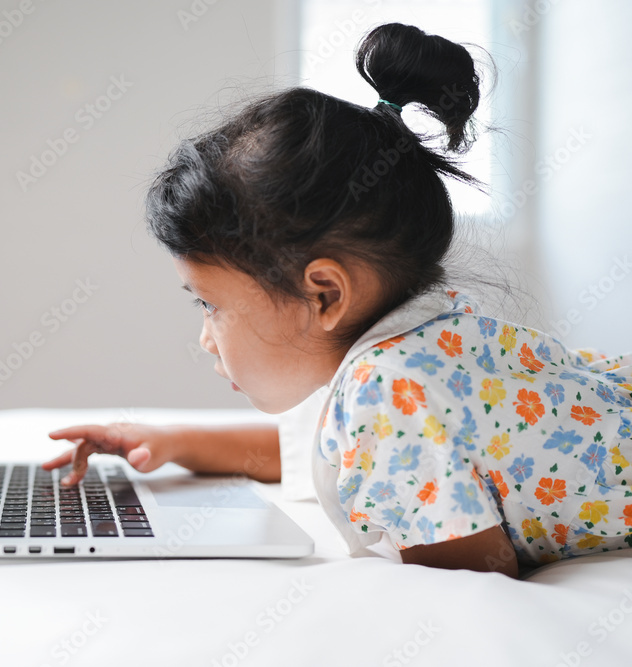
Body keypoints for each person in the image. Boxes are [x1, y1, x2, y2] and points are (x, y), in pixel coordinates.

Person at [41, 23, 632, 577]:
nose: (204, 337)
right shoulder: (425, 337)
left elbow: (474, 582)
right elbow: (339, 449)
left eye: (209, 306)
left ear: (323, 294)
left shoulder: (390, 388)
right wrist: (171, 442)